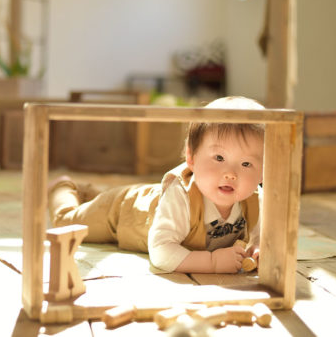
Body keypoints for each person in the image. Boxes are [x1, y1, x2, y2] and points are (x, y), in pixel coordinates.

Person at [48, 96, 265, 274]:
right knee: (66, 223)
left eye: (246, 163)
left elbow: (259, 233)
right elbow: (161, 252)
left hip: (151, 198)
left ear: (264, 170)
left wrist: (256, 245)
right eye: (219, 158)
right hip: (122, 212)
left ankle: (92, 193)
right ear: (191, 157)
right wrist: (212, 262)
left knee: (102, 199)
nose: (231, 174)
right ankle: (65, 187)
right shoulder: (181, 195)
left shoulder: (256, 199)